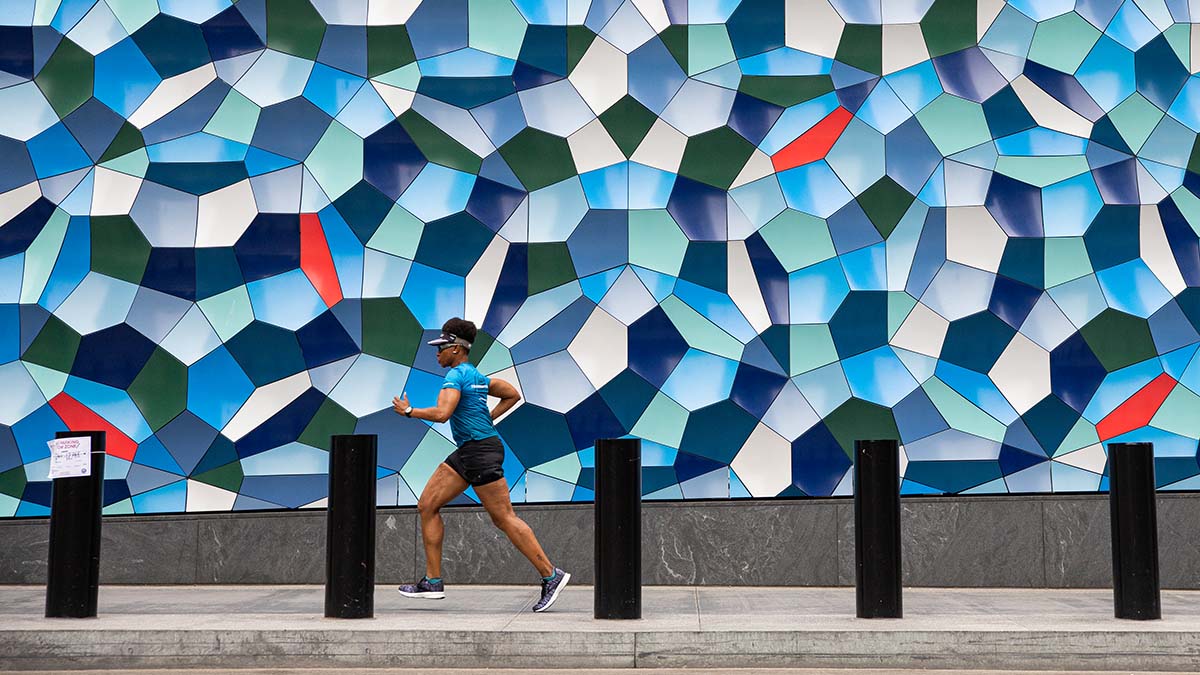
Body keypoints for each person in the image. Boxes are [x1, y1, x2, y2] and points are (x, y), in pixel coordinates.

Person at [392, 317, 571, 612]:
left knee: (504, 518)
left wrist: (409, 411)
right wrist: (489, 418)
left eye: (441, 348)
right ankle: (432, 581)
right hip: (470, 451)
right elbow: (511, 393)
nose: (436, 354)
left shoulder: (454, 378)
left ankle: (551, 575)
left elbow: (442, 413)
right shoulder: (477, 376)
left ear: (456, 349)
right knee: (427, 505)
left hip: (479, 453)